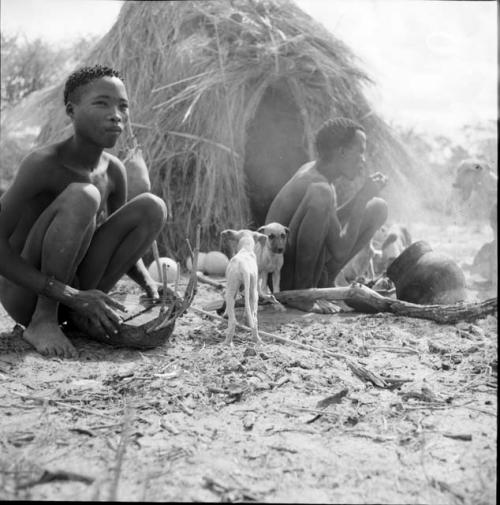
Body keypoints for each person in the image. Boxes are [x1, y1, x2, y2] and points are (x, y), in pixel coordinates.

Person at [0, 65, 167, 358]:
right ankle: (43, 321)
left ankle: (76, 316)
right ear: (71, 110)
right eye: (102, 103)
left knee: (152, 207)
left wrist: (149, 286)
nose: (116, 114)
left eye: (123, 106)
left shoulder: (114, 171)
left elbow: (119, 244)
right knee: (83, 195)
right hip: (25, 294)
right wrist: (69, 294)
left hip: (76, 294)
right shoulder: (42, 164)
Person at [265, 117, 388, 298]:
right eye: (360, 152)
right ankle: (304, 293)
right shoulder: (318, 185)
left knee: (378, 208)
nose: (363, 160)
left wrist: (362, 197)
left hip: (303, 267)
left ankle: (323, 281)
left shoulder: (322, 177)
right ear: (342, 152)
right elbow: (339, 251)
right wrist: (361, 199)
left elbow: (325, 225)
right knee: (323, 195)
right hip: (284, 277)